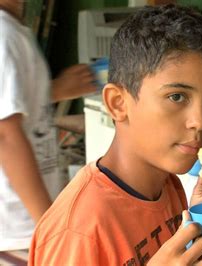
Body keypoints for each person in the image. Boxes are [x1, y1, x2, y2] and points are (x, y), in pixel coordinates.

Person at [29, 4, 202, 265]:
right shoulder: (79, 230)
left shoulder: (167, 186)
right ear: (118, 103)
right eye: (176, 97)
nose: (200, 122)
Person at [0, 0, 96, 262]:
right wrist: (50, 226)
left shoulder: (14, 31)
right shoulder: (3, 34)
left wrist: (57, 89)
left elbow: (15, 103)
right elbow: (5, 136)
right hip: (16, 228)